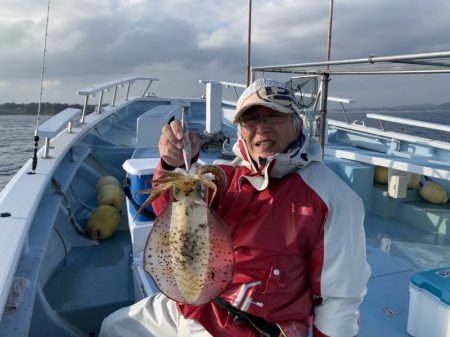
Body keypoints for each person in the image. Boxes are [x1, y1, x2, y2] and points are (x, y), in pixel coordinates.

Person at [100, 78, 371, 337]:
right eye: (251, 119)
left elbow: (339, 299)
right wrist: (173, 165)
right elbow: (171, 215)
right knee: (113, 327)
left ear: (297, 124)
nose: (262, 127)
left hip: (247, 327)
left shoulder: (331, 198)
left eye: (274, 116)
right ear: (240, 129)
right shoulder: (224, 175)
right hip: (193, 303)